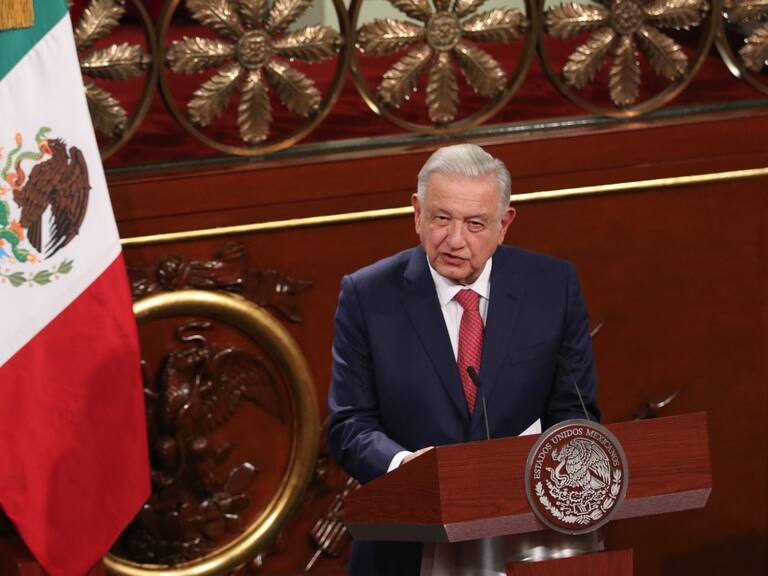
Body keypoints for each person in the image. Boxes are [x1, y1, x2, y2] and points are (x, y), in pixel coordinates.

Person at [328, 143, 599, 575]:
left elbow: (575, 413)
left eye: (475, 224)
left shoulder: (553, 288)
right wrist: (403, 466)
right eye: (441, 218)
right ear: (417, 213)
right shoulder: (367, 296)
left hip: (525, 542)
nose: (455, 240)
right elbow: (349, 425)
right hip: (406, 549)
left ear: (504, 224)